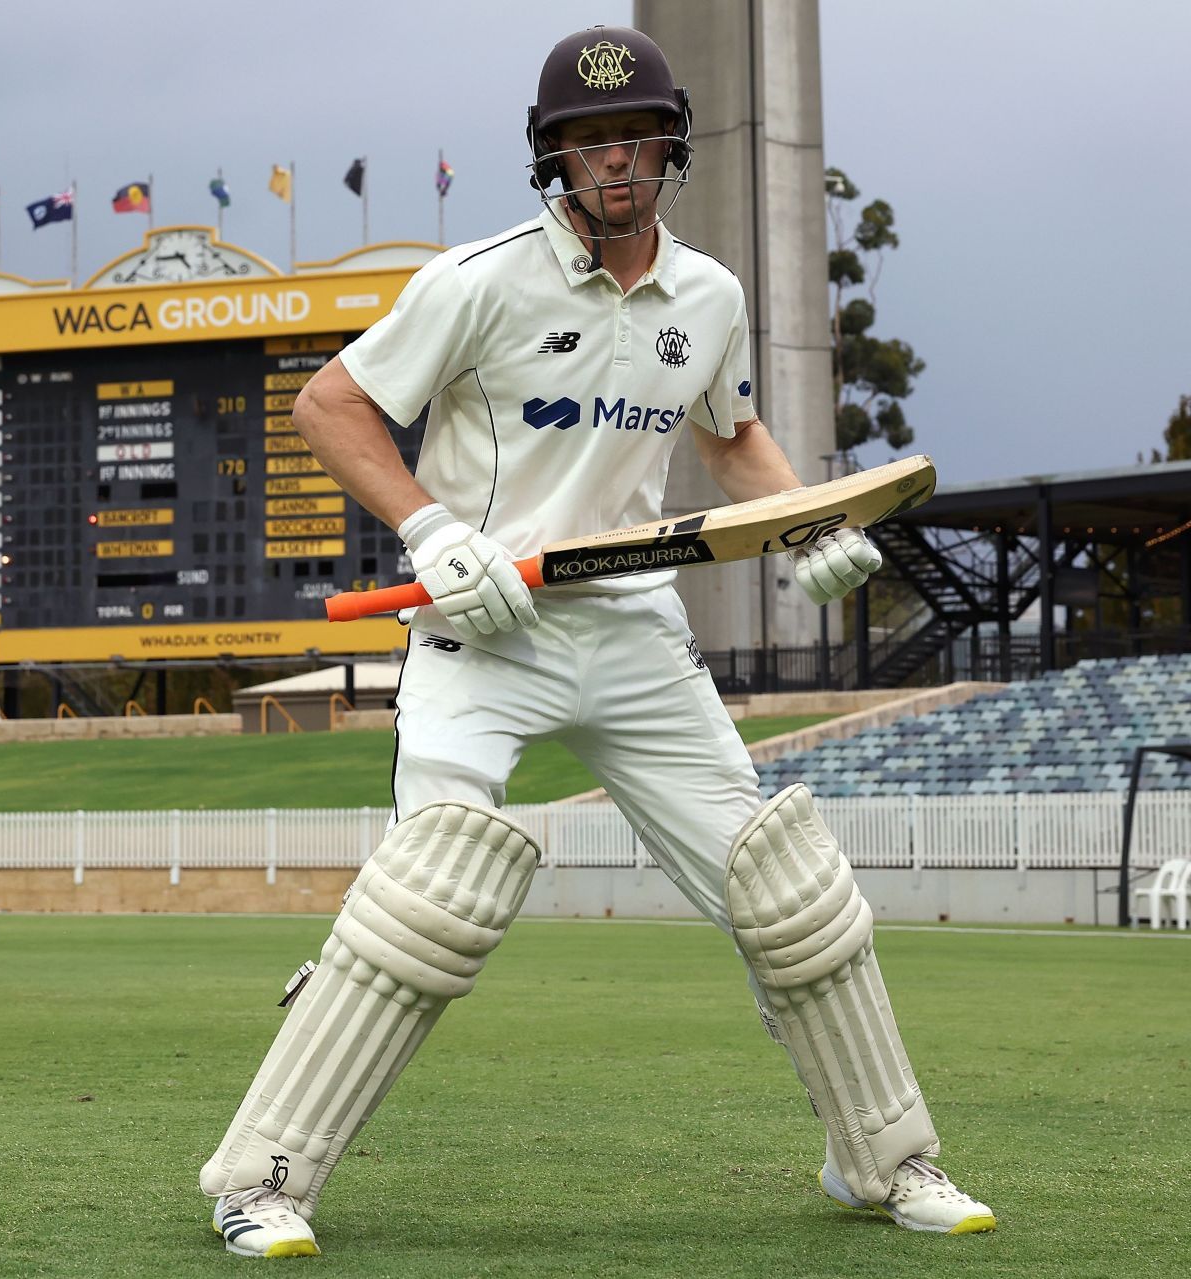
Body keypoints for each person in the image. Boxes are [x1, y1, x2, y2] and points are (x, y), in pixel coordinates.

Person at [198, 25, 993, 1259]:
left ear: (670, 145)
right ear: (551, 156)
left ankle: (883, 1160)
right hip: (484, 626)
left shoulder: (709, 295)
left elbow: (729, 440)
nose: (611, 162)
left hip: (631, 630)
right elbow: (331, 405)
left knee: (786, 895)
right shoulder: (480, 278)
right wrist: (428, 532)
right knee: (423, 904)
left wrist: (810, 525)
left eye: (631, 139)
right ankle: (264, 1181)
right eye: (585, 142)